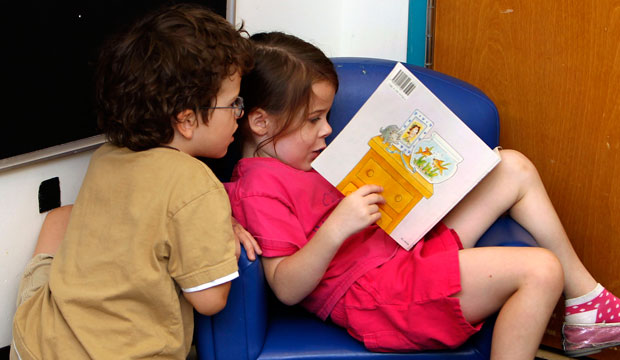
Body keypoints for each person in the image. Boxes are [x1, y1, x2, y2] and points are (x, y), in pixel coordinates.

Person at [224, 31, 620, 359]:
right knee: (541, 270)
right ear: (261, 122)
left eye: (326, 116)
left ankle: (587, 301)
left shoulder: (303, 161)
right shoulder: (259, 186)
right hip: (382, 297)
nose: (327, 130)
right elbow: (286, 287)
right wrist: (338, 226)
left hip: (403, 250)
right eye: (314, 120)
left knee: (512, 167)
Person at [10, 4, 259, 359]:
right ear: (186, 120)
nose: (240, 113)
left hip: (35, 341)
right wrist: (220, 235)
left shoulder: (109, 154)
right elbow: (209, 301)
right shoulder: (196, 185)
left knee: (60, 218)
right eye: (233, 103)